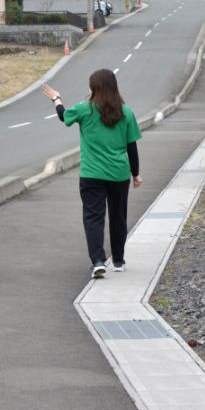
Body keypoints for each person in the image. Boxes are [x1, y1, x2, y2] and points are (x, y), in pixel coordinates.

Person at [42, 69, 142, 279]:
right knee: (118, 217)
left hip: (92, 174)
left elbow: (63, 116)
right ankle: (118, 260)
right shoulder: (126, 111)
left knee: (93, 218)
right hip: (119, 174)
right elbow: (132, 146)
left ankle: (98, 261)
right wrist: (136, 173)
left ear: (94, 88)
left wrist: (56, 98)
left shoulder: (85, 109)